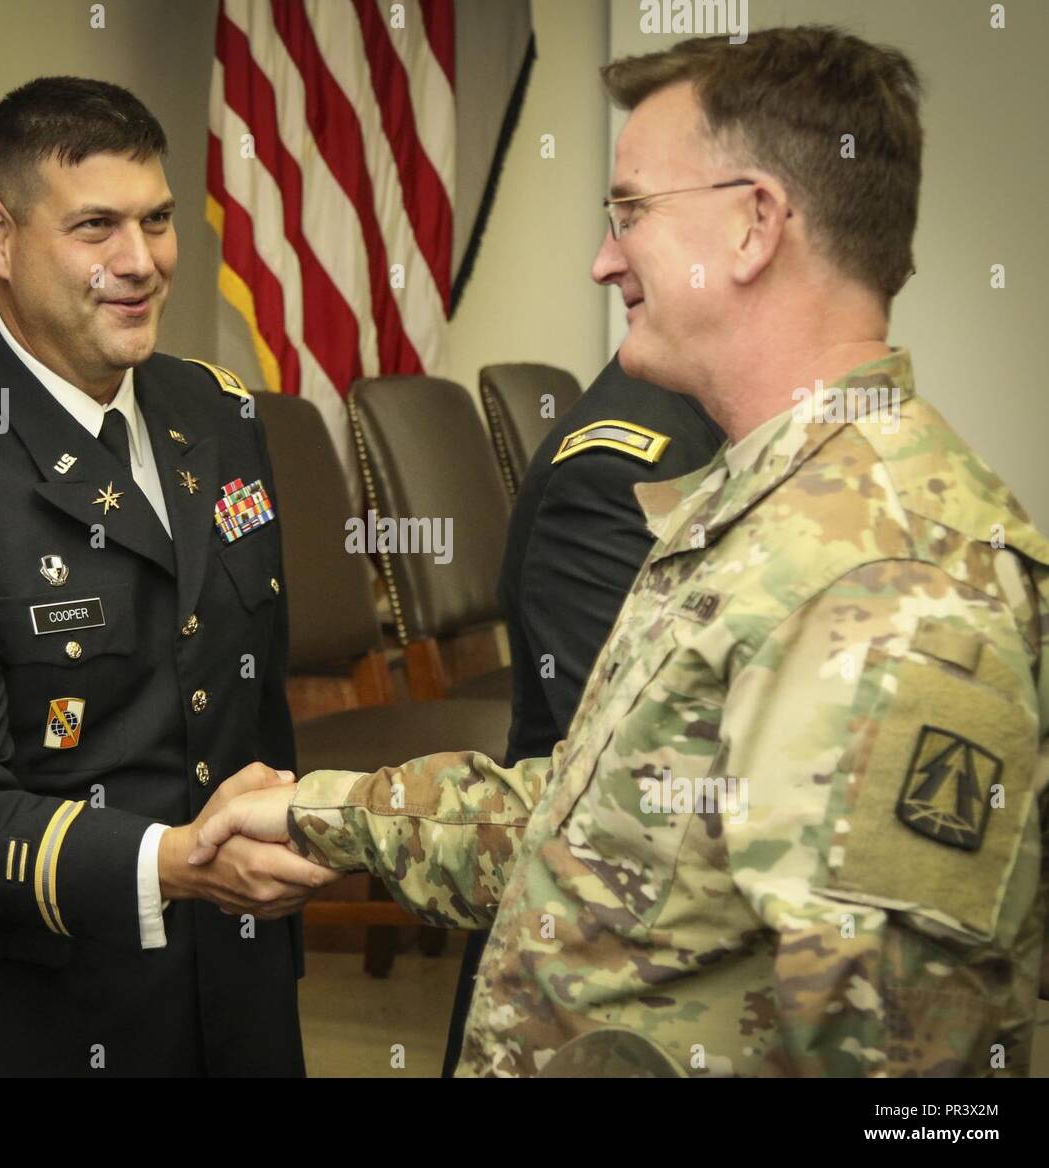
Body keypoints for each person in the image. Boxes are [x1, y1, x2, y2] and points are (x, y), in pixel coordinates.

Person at [192, 26, 1049, 1077]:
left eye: (631, 211)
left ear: (752, 226)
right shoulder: (773, 511)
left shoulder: (887, 580)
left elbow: (906, 1077)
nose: (604, 256)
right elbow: (597, 831)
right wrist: (317, 812)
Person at [0, 75, 337, 1078]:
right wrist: (179, 865)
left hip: (226, 984)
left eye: (158, 219)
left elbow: (242, 709)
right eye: (95, 226)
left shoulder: (217, 414)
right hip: (17, 1006)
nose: (141, 263)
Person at [442, 355, 723, 1075]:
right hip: (597, 988)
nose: (604, 263)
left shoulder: (739, 429)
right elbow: (631, 799)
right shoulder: (621, 469)